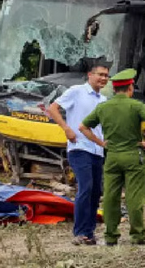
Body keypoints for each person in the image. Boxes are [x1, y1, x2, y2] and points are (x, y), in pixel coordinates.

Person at [79, 69, 145, 246]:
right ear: (130, 87)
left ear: (114, 89)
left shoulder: (103, 107)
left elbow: (82, 127)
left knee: (110, 197)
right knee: (134, 197)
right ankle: (137, 235)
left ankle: (110, 236)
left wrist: (101, 143)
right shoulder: (136, 106)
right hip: (133, 156)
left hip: (112, 157)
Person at [45, 62, 109, 246]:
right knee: (86, 187)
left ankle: (89, 232)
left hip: (97, 149)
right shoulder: (76, 91)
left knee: (96, 191)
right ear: (90, 75)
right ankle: (80, 232)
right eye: (100, 74)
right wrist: (66, 128)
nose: (103, 78)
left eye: (106, 76)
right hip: (79, 147)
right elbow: (53, 108)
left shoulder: (103, 101)